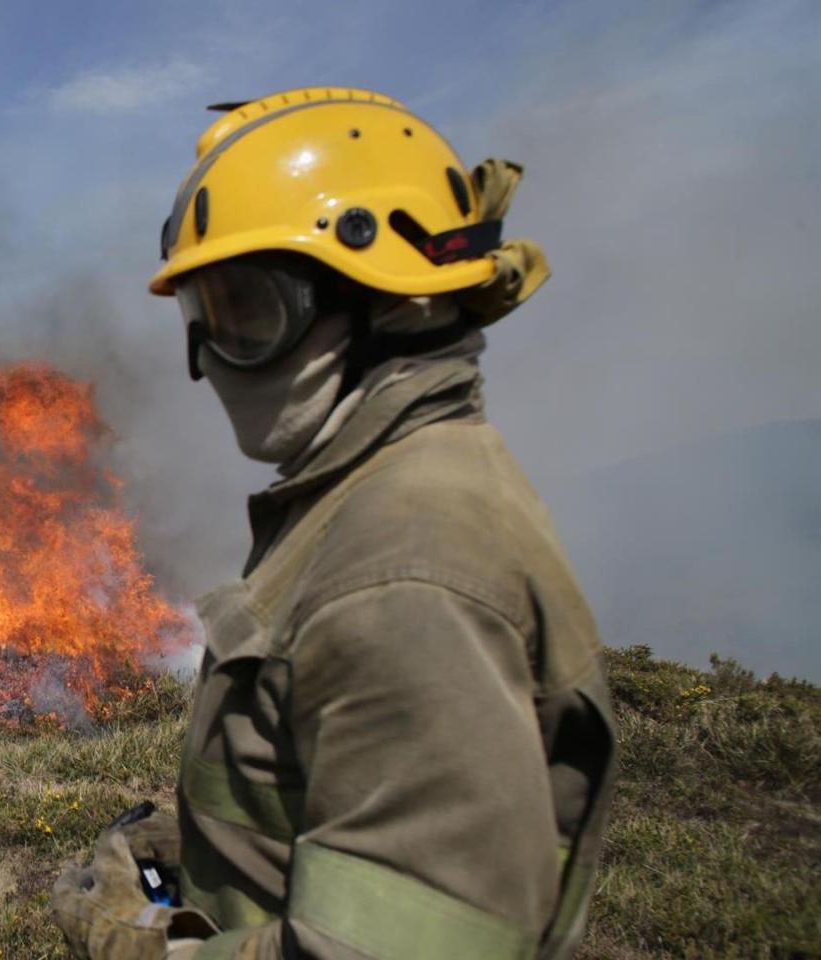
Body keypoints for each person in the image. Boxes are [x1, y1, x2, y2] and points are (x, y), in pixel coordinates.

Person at [52, 87, 618, 959]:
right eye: (200, 316)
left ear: (395, 300)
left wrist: (140, 943)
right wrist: (201, 851)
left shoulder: (408, 566)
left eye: (246, 311)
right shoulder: (376, 493)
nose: (210, 362)